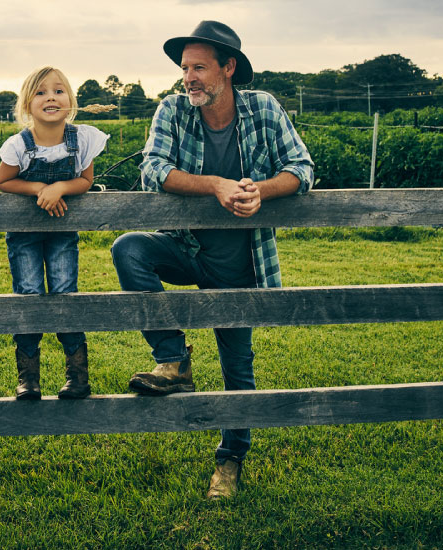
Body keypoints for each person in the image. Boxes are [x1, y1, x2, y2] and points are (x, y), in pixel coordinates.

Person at [111, 21, 314, 499]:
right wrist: (216, 184)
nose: (189, 78)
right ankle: (173, 359)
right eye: (185, 68)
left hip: (240, 265)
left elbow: (302, 169)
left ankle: (230, 460)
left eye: (199, 67)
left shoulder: (263, 107)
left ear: (228, 68)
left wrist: (259, 192)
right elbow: (153, 170)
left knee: (237, 369)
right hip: (185, 248)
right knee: (129, 249)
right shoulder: (173, 110)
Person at [0, 66, 108, 400]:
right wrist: (37, 189)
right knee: (28, 294)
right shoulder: (18, 145)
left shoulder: (82, 139)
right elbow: (4, 182)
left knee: (65, 293)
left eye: (59, 91)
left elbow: (85, 181)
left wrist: (60, 186)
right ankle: (28, 378)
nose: (51, 98)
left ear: (70, 100)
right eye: (41, 92)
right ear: (27, 104)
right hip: (25, 234)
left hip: (62, 232)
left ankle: (77, 376)